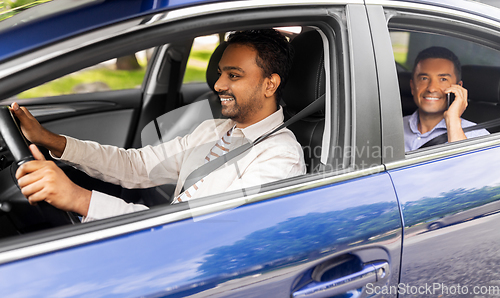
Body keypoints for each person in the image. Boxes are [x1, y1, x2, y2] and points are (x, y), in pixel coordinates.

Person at [12, 29, 306, 222]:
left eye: (233, 75)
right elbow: (136, 165)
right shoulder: (213, 130)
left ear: (270, 84)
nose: (217, 84)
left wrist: (78, 198)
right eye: (220, 73)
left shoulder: (280, 158)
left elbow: (199, 233)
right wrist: (48, 139)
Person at [403, 46, 489, 152]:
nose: (431, 88)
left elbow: (467, 167)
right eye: (424, 78)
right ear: (412, 86)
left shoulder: (477, 135)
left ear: (458, 88)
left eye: (443, 79)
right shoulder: (391, 128)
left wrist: (453, 121)